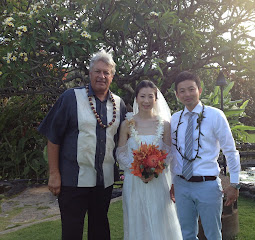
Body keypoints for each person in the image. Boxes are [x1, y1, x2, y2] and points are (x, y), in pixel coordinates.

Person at [38, 50, 127, 240]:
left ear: (112, 76)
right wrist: (54, 174)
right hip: (72, 180)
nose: (101, 76)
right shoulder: (70, 98)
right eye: (98, 71)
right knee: (71, 232)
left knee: (100, 230)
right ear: (90, 73)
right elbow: (53, 137)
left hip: (104, 183)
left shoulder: (119, 104)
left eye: (106, 72)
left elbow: (123, 143)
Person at [170, 71, 241, 240]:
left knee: (213, 234)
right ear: (177, 94)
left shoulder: (215, 116)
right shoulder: (175, 119)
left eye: (191, 89)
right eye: (182, 91)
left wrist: (235, 183)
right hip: (181, 185)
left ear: (199, 90)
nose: (187, 94)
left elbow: (230, 150)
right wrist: (173, 180)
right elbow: (173, 153)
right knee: (186, 234)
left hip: (207, 185)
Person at [116, 80, 183, 240]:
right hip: (134, 181)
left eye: (150, 96)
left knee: (160, 219)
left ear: (156, 99)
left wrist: (155, 170)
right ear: (136, 98)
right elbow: (121, 153)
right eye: (142, 96)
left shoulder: (164, 125)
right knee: (138, 221)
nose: (146, 101)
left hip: (158, 181)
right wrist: (138, 170)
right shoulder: (127, 124)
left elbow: (168, 153)